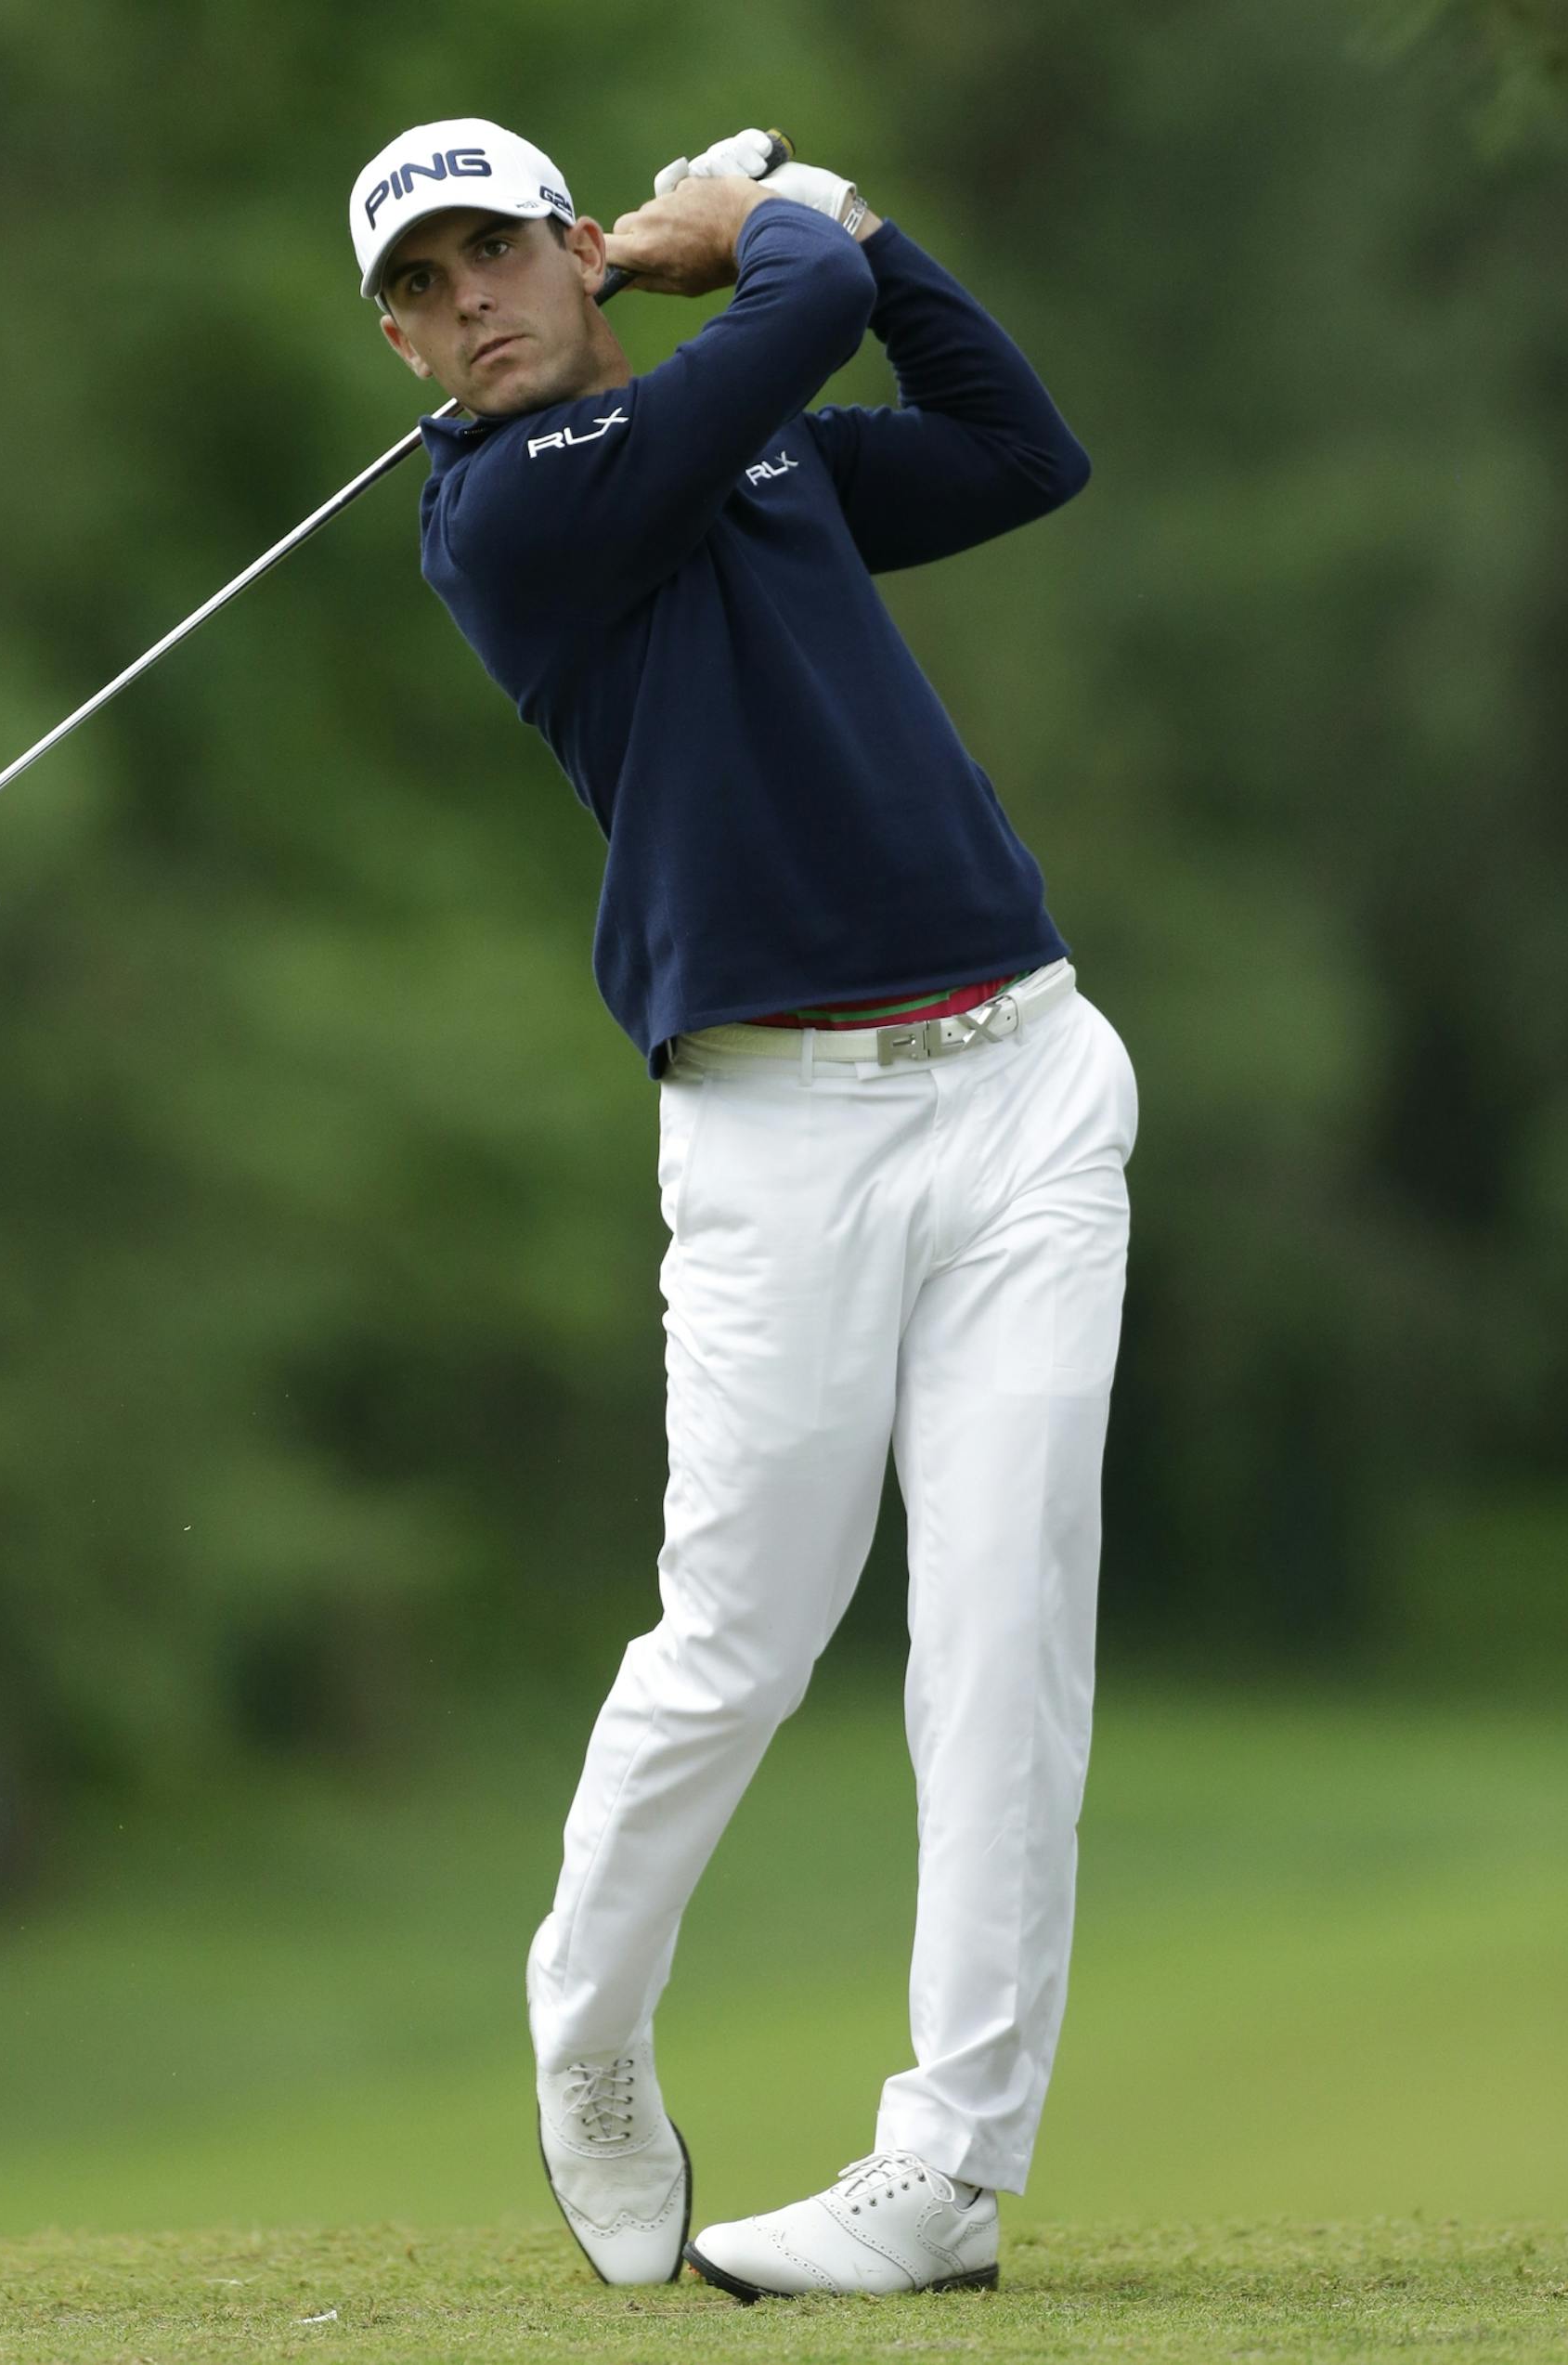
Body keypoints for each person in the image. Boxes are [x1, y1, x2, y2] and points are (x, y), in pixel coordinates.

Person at [346, 117, 1136, 2303]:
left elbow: (1019, 447)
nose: (463, 305)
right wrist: (779, 223)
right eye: (419, 291)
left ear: (572, 253)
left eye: (493, 251)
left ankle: (948, 2170)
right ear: (406, 346)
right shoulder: (503, 513)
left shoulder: (759, 457)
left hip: (1027, 1085)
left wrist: (857, 229)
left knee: (1005, 1640)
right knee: (741, 1642)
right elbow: (779, 333)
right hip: (781, 1139)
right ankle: (588, 2022)